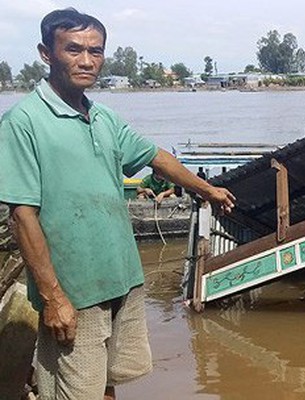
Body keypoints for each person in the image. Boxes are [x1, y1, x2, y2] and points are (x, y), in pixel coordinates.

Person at [0, 8, 235, 400]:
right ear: (46, 53)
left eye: (96, 51)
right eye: (74, 50)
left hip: (121, 277)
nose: (87, 61)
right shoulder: (23, 122)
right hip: (73, 289)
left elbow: (154, 156)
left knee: (106, 382)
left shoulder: (102, 117)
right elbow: (23, 216)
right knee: (74, 390)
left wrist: (205, 189)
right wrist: (54, 297)